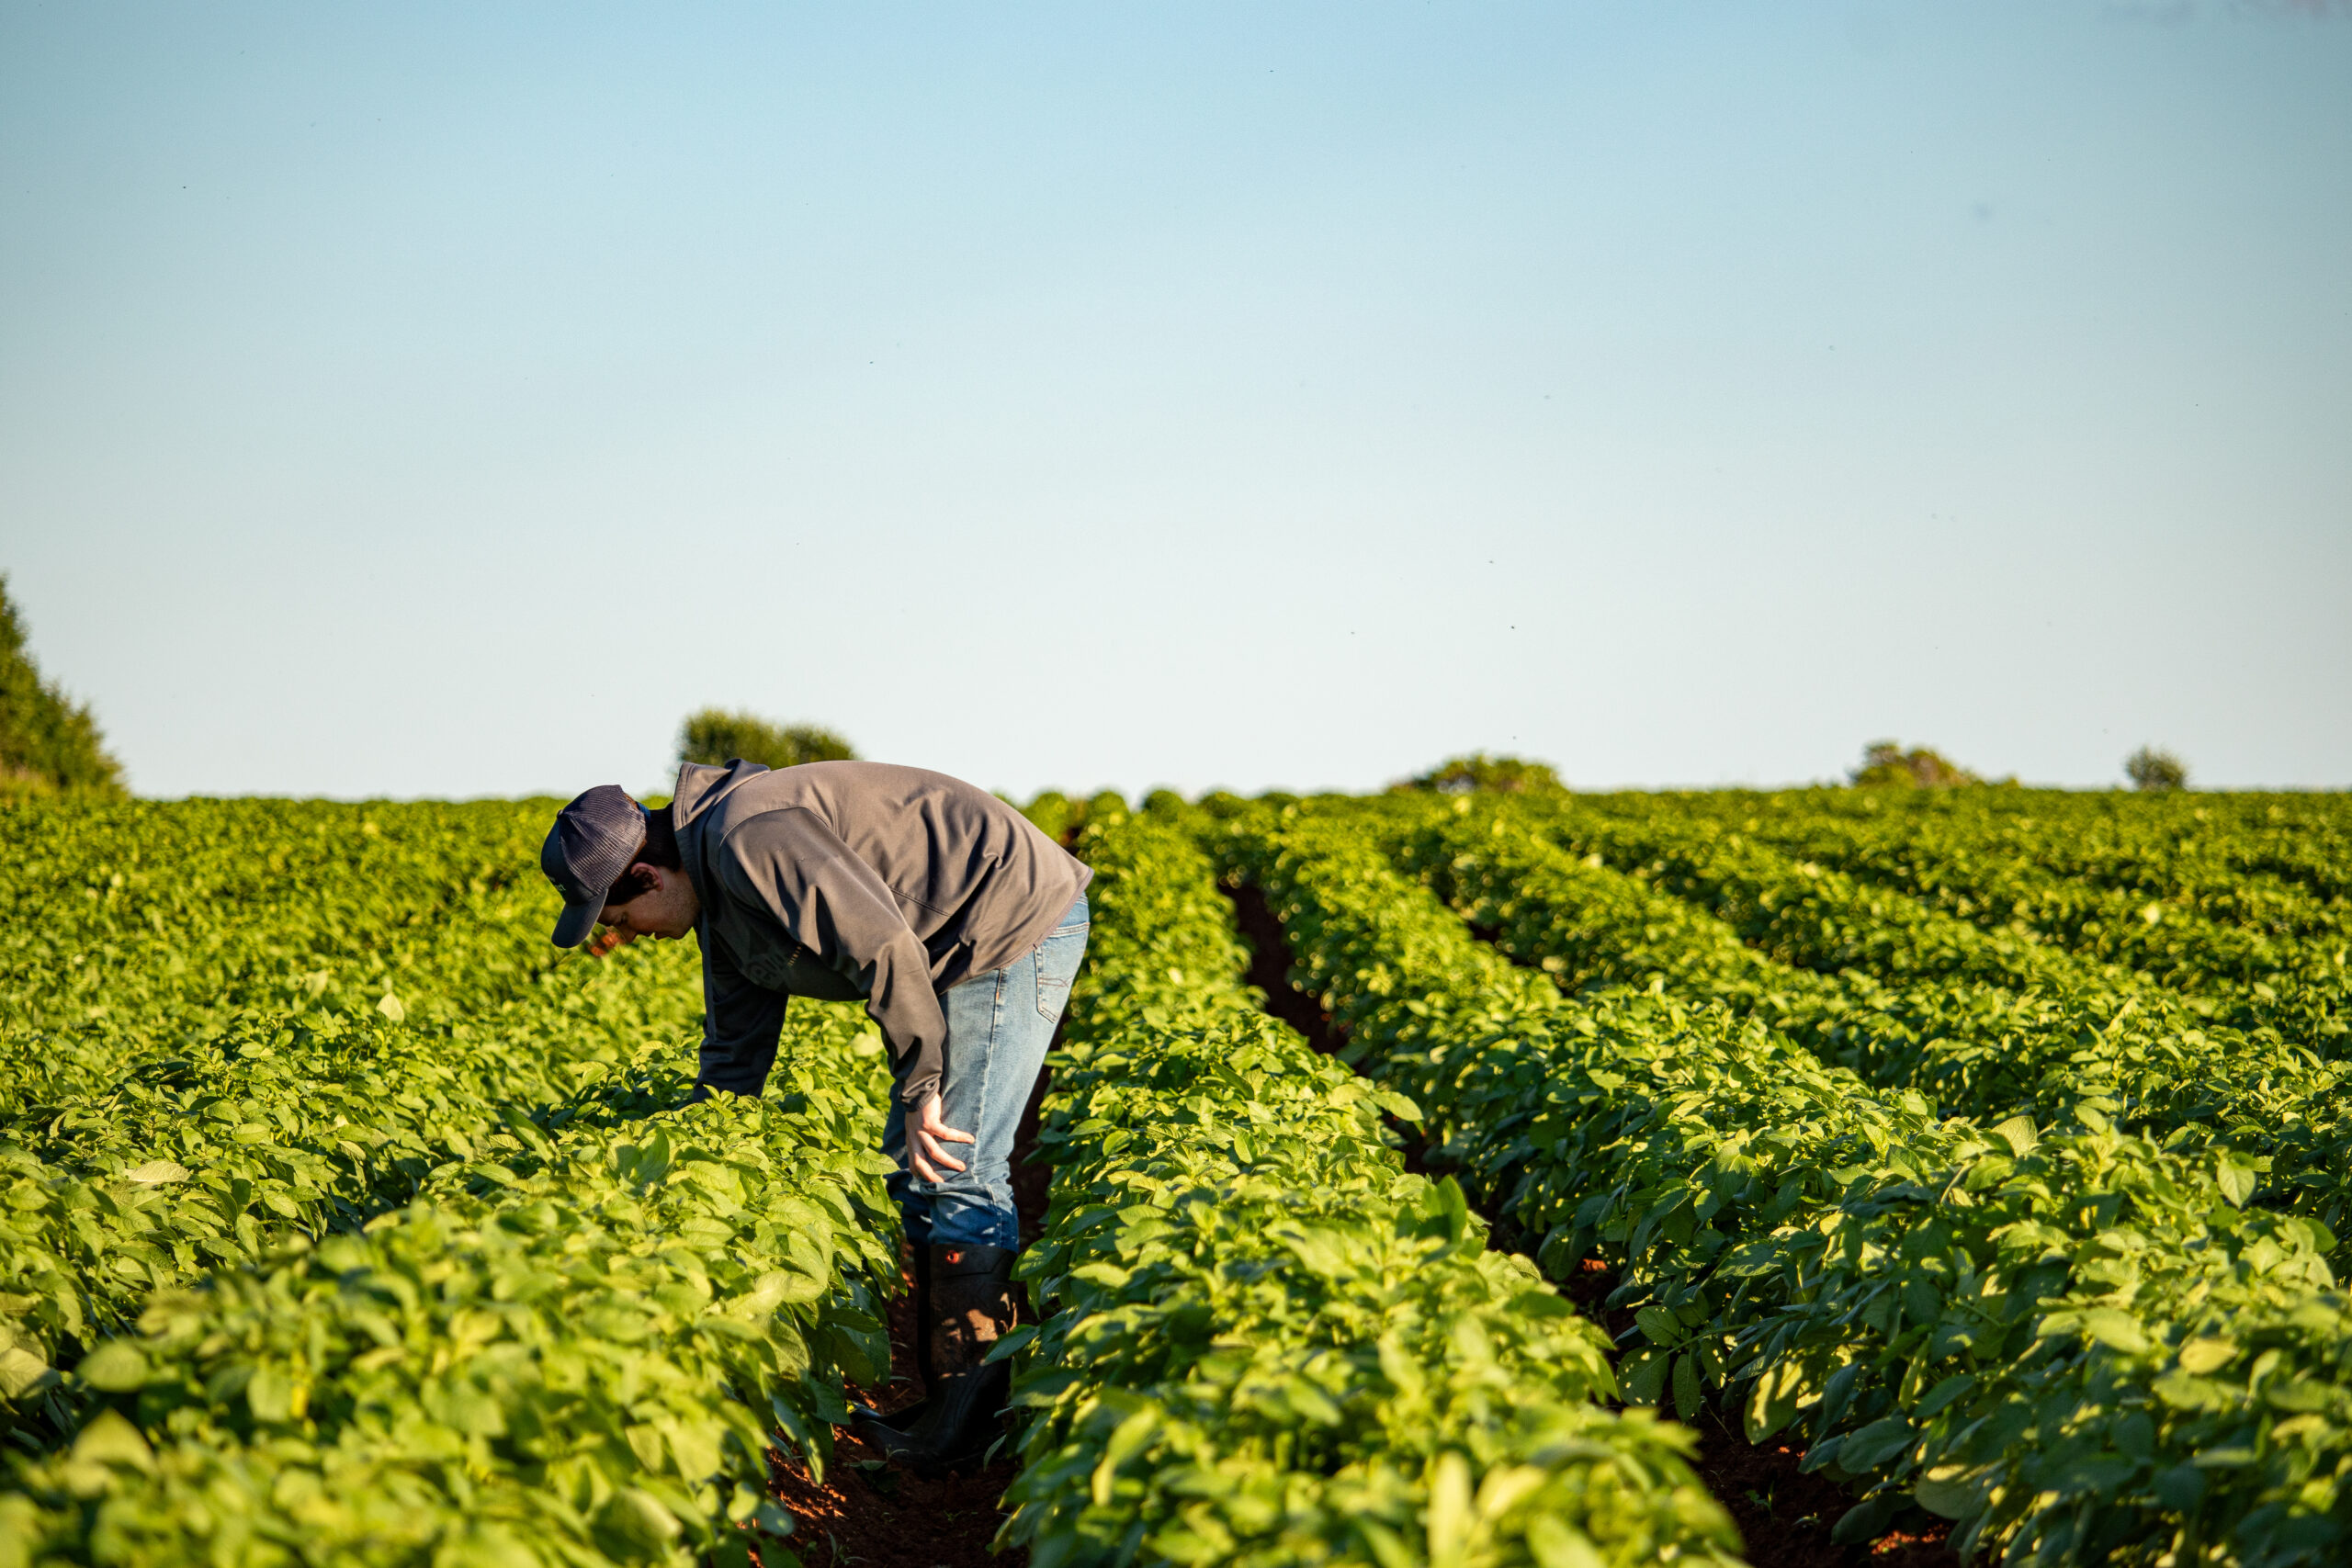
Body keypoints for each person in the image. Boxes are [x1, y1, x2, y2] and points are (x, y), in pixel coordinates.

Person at [538, 759, 1091, 1471]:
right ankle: (946, 1405)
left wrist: (922, 1086)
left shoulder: (749, 840)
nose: (631, 935)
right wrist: (698, 1155)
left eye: (621, 918)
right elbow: (735, 1050)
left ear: (648, 876)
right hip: (946, 949)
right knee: (911, 1167)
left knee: (958, 1162)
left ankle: (966, 1436)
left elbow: (884, 947)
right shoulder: (714, 892)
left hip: (1008, 922)